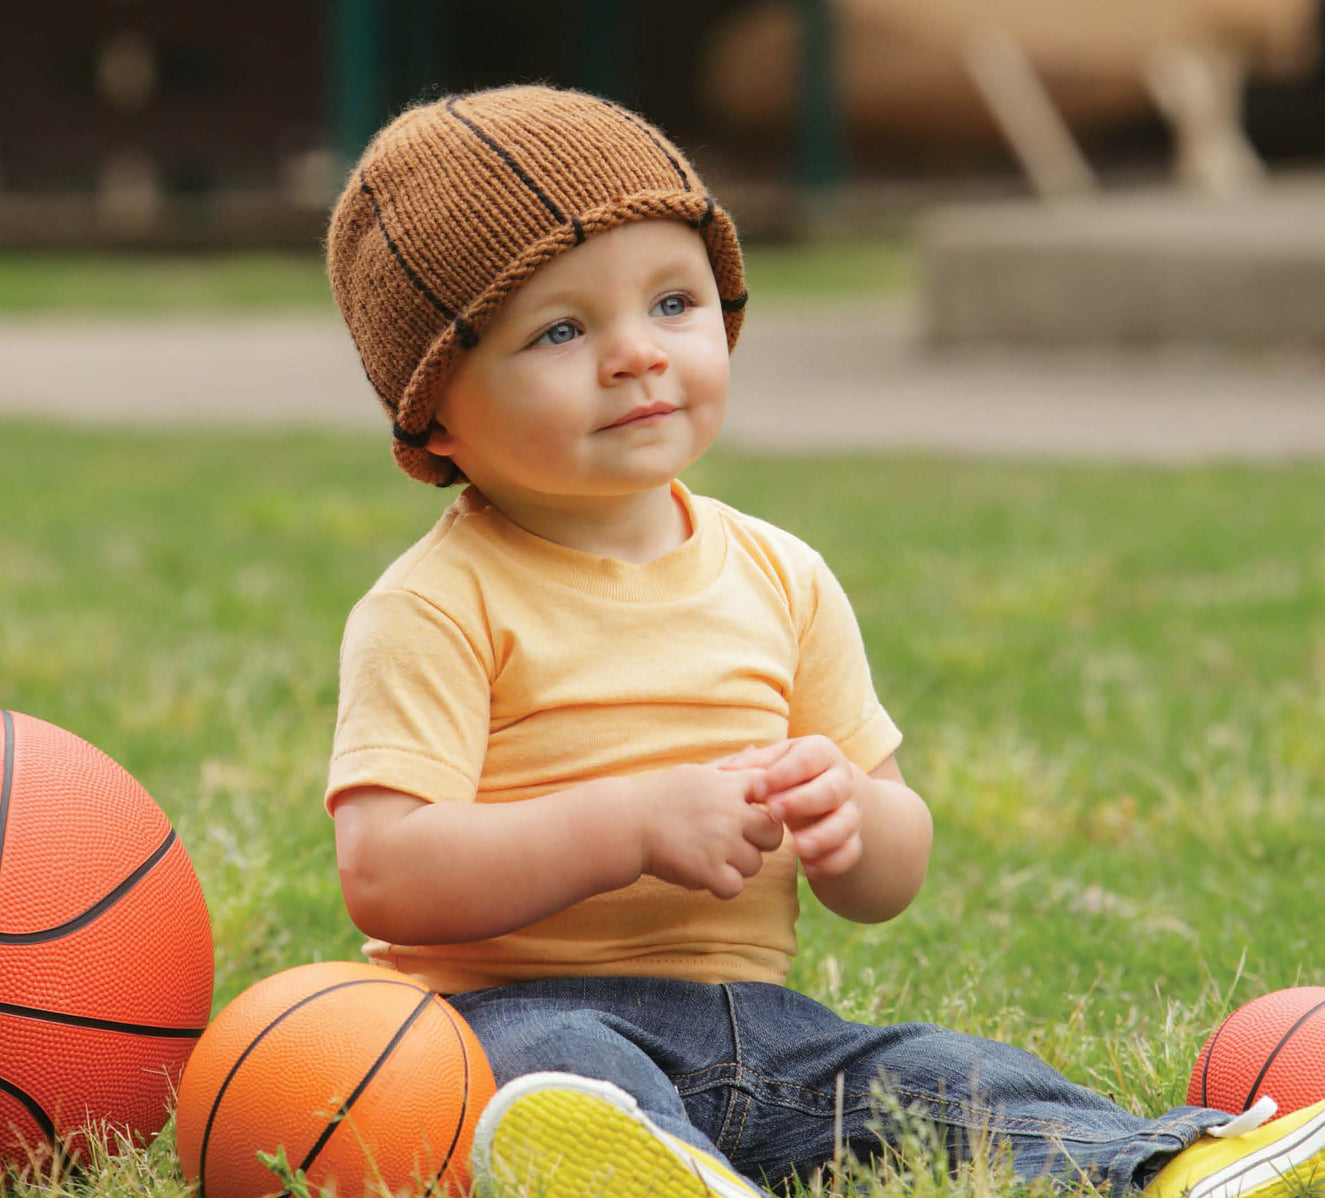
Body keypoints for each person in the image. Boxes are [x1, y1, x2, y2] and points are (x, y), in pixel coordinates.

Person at [322, 85, 1325, 1197]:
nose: (633, 355)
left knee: (944, 1074)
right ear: (436, 413)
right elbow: (387, 874)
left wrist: (853, 815)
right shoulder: (436, 603)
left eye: (672, 302)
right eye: (560, 330)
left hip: (768, 1031)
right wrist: (629, 825)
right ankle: (635, 1167)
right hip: (515, 1013)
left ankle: (1168, 1165)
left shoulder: (780, 576)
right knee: (551, 1081)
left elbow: (888, 874)